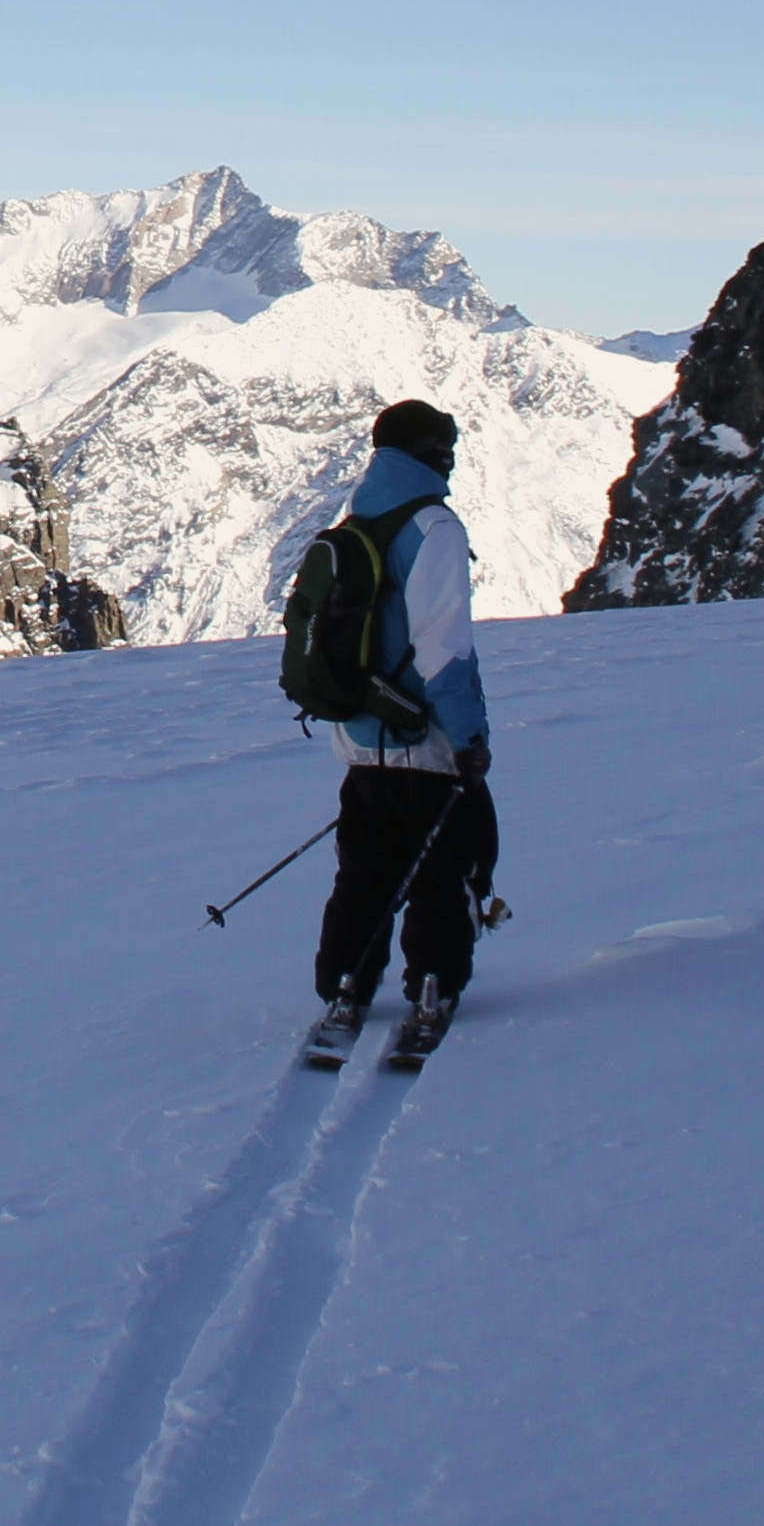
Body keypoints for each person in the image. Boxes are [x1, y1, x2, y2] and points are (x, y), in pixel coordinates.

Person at [311, 397, 496, 1047]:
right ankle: (434, 984)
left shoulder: (361, 515)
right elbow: (444, 648)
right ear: (432, 452)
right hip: (424, 740)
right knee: (440, 871)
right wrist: (469, 738)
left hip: (361, 739)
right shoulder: (432, 527)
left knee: (363, 872)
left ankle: (344, 987)